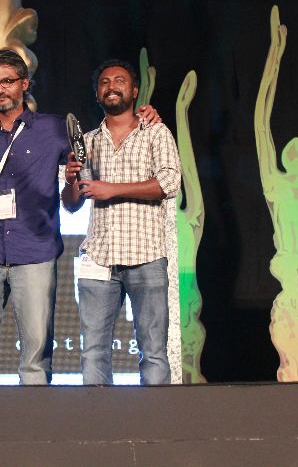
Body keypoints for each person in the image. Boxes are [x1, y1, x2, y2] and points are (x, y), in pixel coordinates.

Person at [0, 49, 160, 385]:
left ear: (24, 83)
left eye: (7, 81)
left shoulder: (54, 128)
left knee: (36, 357)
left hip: (36, 251)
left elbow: (90, 158)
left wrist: (143, 115)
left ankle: (34, 416)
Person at [62, 59, 180, 385]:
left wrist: (111, 189)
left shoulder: (155, 132)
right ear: (97, 93)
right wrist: (71, 180)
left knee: (153, 351)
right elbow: (71, 204)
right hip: (99, 257)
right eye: (104, 82)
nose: (111, 86)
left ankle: (154, 416)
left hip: (146, 257)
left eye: (119, 80)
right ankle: (99, 416)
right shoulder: (87, 141)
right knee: (93, 351)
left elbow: (169, 183)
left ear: (134, 90)